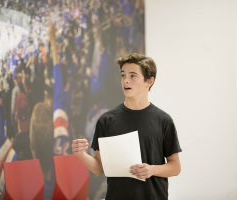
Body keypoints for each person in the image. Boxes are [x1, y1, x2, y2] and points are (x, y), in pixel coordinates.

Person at [72, 53, 182, 200]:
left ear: (149, 81)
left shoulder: (163, 120)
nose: (126, 81)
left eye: (132, 76)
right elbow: (100, 168)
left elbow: (175, 167)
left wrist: (152, 169)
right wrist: (81, 155)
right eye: (123, 75)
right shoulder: (106, 121)